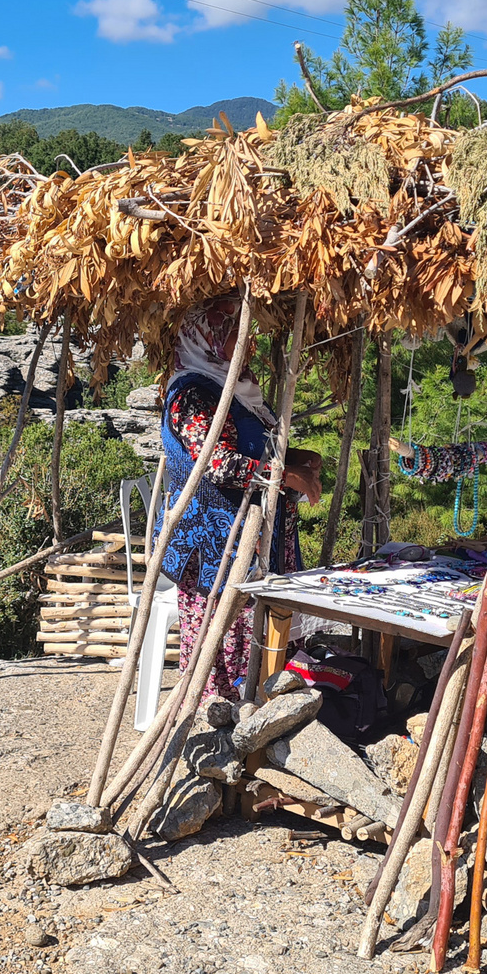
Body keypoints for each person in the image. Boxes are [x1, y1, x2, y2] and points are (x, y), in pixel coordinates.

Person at [155, 297, 322, 700]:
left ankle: (266, 705)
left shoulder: (238, 388)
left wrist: (298, 460)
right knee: (230, 625)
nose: (244, 342)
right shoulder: (193, 393)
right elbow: (216, 463)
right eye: (232, 332)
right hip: (216, 541)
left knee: (263, 624)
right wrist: (287, 477)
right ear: (204, 337)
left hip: (251, 530)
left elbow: (252, 447)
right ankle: (225, 713)